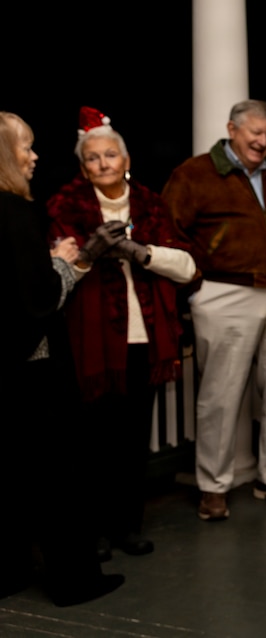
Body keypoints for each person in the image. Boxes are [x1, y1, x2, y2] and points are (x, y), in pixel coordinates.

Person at [46, 107, 196, 562]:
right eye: (93, 158)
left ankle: (127, 526)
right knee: (91, 444)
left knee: (133, 440)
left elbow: (188, 267)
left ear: (126, 160)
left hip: (142, 343)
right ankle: (94, 532)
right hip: (89, 346)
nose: (103, 163)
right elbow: (55, 274)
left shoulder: (151, 203)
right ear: (83, 166)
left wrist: (142, 251)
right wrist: (89, 255)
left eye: (111, 155)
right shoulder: (64, 207)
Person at [161, 99, 266, 521]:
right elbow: (169, 231)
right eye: (256, 133)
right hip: (225, 295)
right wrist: (197, 290)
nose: (263, 142)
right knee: (219, 398)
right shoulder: (193, 174)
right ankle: (213, 486)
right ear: (232, 129)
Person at [0, 111, 125, 606]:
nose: (33, 157)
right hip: (31, 365)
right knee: (56, 479)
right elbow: (37, 300)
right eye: (24, 147)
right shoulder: (14, 212)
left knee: (9, 476)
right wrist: (69, 263)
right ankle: (75, 582)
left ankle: (8, 573)